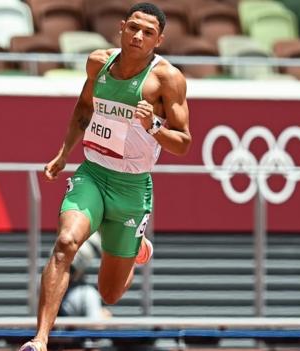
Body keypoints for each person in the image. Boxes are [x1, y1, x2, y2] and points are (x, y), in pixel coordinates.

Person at [19, 2, 191, 351]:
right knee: (66, 243)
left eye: (148, 33)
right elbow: (84, 107)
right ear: (122, 27)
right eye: (134, 28)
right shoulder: (99, 62)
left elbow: (184, 143)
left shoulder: (167, 79)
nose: (138, 36)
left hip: (132, 187)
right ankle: (39, 340)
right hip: (93, 174)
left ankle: (137, 247)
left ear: (159, 40)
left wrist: (153, 125)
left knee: (109, 294)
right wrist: (63, 153)